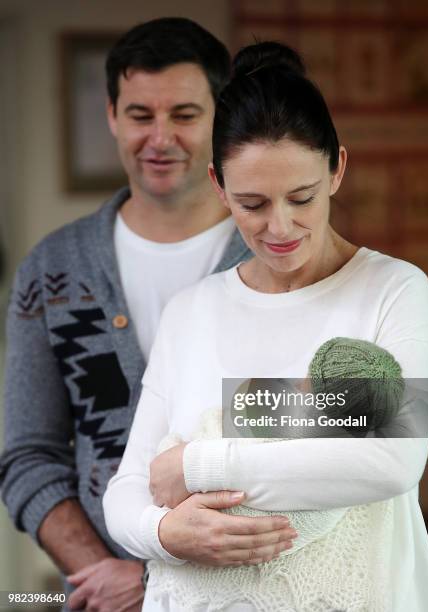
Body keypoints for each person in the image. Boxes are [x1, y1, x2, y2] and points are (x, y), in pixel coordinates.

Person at [103, 41, 428, 611]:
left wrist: (198, 465)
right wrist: (165, 535)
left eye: (302, 197)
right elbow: (130, 490)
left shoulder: (394, 290)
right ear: (218, 185)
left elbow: (394, 459)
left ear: (337, 167)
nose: (279, 226)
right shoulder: (192, 311)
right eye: (252, 203)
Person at [0, 17, 263, 612]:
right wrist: (110, 578)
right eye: (141, 115)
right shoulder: (51, 270)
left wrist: (157, 577)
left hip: (256, 592)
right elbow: (29, 457)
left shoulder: (278, 255)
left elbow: (360, 416)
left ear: (221, 116)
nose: (160, 137)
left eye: (185, 115)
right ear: (113, 117)